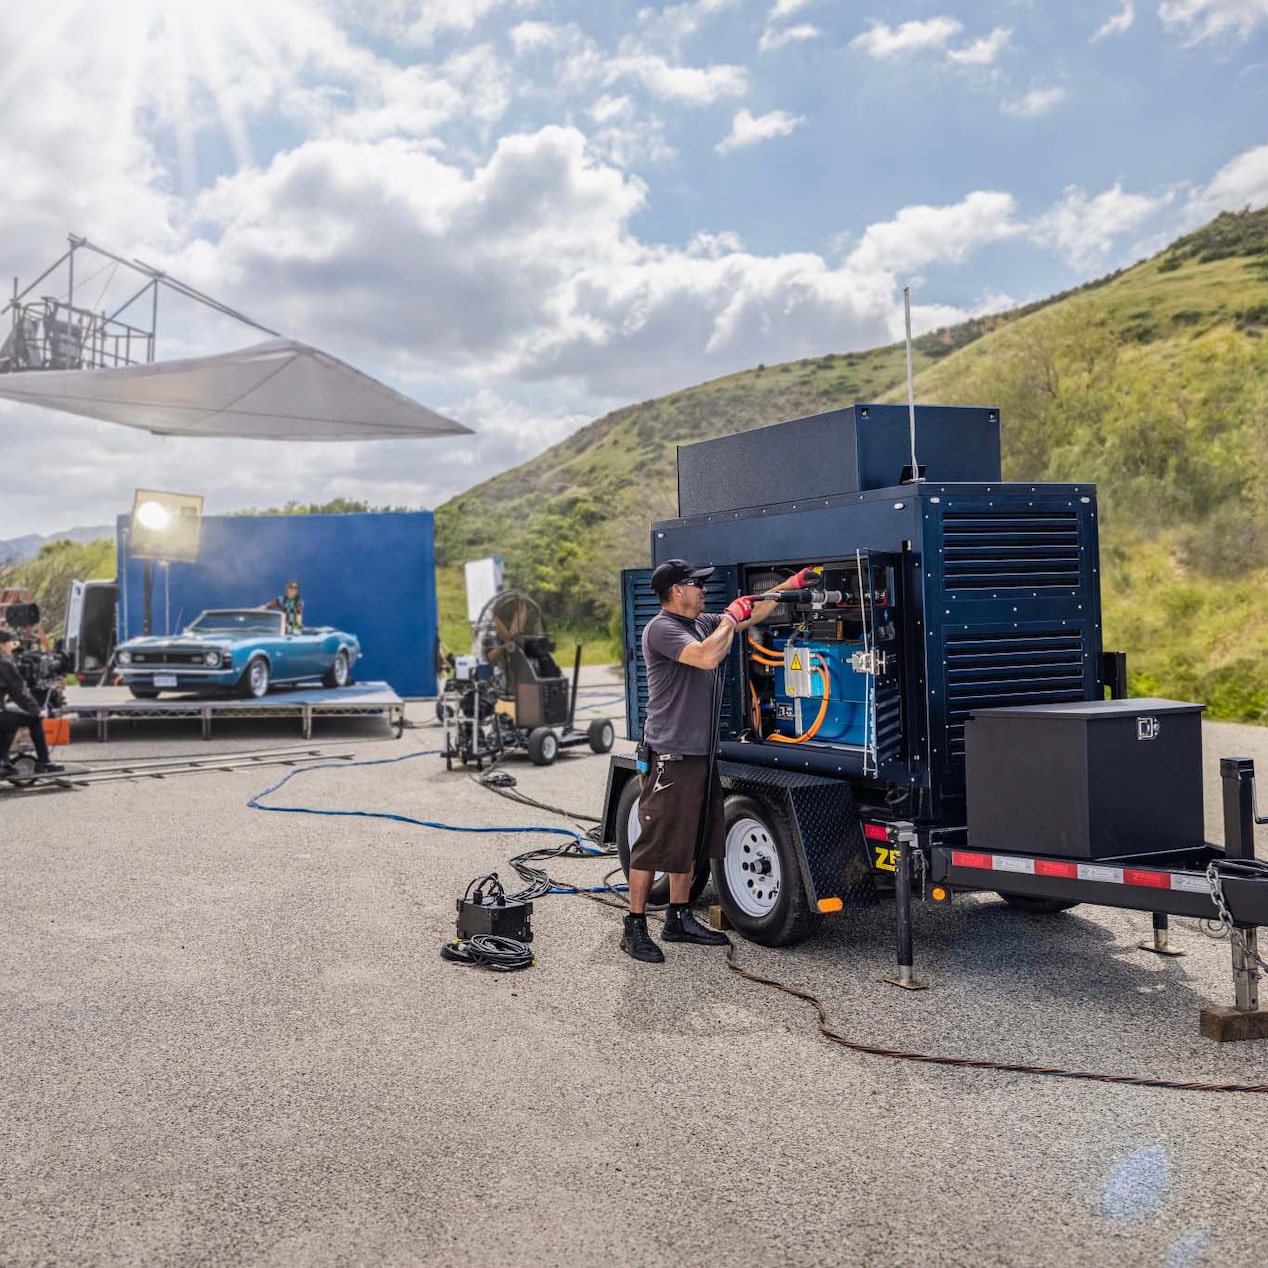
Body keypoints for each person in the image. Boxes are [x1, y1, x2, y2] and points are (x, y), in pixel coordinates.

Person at [621, 559, 818, 963]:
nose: (703, 590)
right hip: (671, 754)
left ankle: (678, 918)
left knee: (690, 842)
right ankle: (635, 926)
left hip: (700, 753)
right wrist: (729, 618)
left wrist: (788, 586)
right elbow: (707, 657)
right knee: (654, 845)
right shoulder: (662, 629)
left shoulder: (701, 621)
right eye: (697, 584)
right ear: (677, 590)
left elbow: (752, 612)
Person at [0, 628, 65, 777]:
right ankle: (45, 763)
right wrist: (36, 710)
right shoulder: (4, 664)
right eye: (10, 642)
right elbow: (19, 693)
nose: (12, 645)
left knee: (10, 722)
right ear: (2, 645)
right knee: (34, 720)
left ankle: (3, 762)